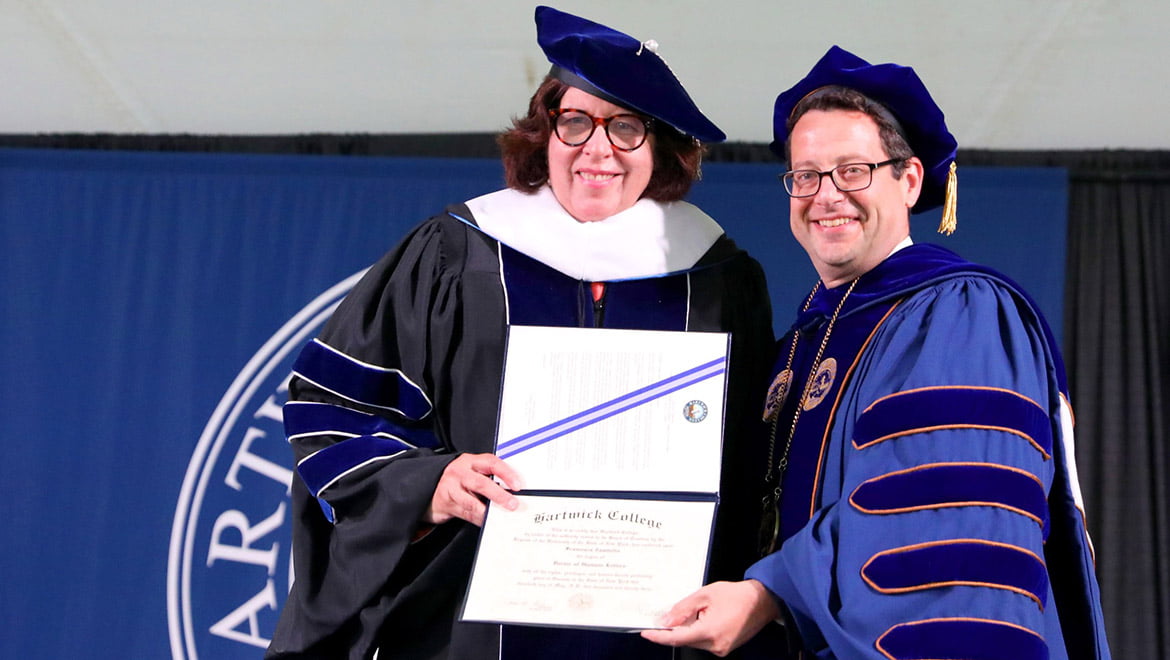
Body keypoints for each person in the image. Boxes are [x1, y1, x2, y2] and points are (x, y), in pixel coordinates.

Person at [266, 6, 774, 660]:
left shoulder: (719, 278)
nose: (598, 149)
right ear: (544, 134)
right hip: (467, 628)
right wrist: (430, 484)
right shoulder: (456, 254)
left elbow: (755, 464)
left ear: (661, 147)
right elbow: (331, 411)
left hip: (661, 633)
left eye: (626, 127)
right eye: (575, 122)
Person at [642, 46, 1111, 660]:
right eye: (805, 175)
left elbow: (936, 516)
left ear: (910, 179)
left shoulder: (958, 313)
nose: (826, 194)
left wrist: (768, 594)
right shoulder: (798, 349)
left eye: (853, 170)